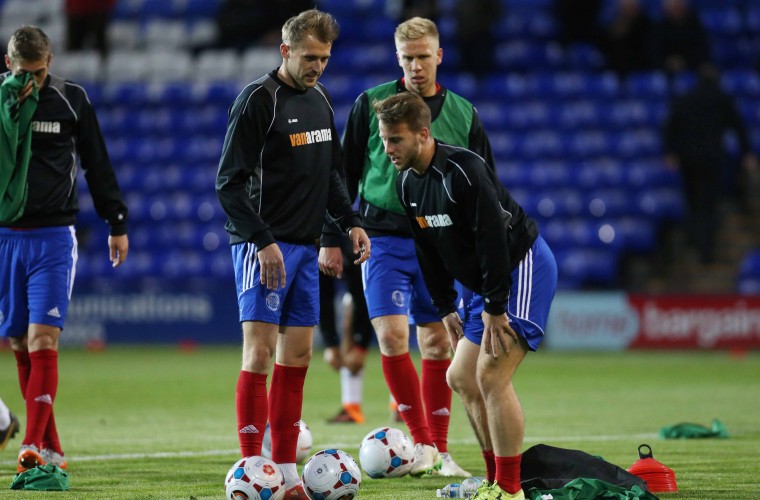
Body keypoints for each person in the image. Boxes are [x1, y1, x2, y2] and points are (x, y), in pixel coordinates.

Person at [320, 16, 494, 477]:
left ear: (439, 56)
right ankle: (420, 442)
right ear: (398, 59)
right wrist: (332, 235)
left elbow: (486, 185)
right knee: (391, 337)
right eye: (407, 58)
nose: (416, 66)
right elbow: (342, 174)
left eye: (423, 56)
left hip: (438, 242)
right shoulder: (371, 104)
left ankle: (440, 450)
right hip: (382, 237)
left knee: (436, 343)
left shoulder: (463, 113)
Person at [215, 9, 371, 499]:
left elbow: (331, 177)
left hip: (305, 248)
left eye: (324, 58)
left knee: (297, 357)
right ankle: (250, 467)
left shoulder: (322, 101)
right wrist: (262, 242)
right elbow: (228, 184)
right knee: (259, 354)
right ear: (285, 51)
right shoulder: (258, 102)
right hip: (266, 247)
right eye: (309, 57)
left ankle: (284, 472)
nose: (317, 66)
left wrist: (350, 223)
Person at [376, 92, 558, 500]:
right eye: (385, 140)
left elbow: (494, 239)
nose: (388, 149)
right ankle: (494, 480)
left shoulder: (464, 169)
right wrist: (444, 306)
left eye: (396, 140)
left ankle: (510, 489)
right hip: (479, 287)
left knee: (491, 375)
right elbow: (428, 249)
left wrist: (495, 306)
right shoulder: (407, 183)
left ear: (423, 134)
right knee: (460, 377)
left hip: (519, 269)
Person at [1, 25, 129, 472]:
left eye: (38, 73)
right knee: (19, 341)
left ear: (49, 64)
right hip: (4, 237)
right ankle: (50, 447)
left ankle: (31, 443)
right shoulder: (0, 103)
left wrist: (116, 220)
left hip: (54, 237)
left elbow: (96, 160)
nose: (31, 82)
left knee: (42, 338)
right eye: (23, 73)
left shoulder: (72, 98)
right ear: (8, 66)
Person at [662, 63, 759, 264]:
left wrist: (671, 153)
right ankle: (706, 252)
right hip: (712, 158)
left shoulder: (686, 98)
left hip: (688, 159)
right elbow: (738, 126)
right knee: (708, 204)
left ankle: (692, 244)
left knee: (692, 202)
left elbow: (670, 127)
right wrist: (747, 153)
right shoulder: (721, 98)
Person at [318, 238, 374, 424]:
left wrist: (361, 345)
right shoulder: (319, 249)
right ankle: (352, 408)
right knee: (348, 310)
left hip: (378, 280)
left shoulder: (354, 247)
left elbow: (364, 298)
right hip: (356, 289)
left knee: (394, 333)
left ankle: (400, 405)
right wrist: (331, 344)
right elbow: (323, 298)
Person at [650, 0, 711, 75]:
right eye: (674, 7)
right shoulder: (659, 27)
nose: (677, 9)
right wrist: (668, 62)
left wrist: (685, 62)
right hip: (665, 69)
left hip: (693, 67)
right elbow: (654, 51)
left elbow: (701, 49)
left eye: (679, 6)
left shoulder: (696, 25)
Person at [597, 0, 653, 78]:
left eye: (632, 5)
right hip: (615, 69)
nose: (629, 8)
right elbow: (604, 48)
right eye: (626, 5)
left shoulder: (646, 25)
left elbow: (648, 50)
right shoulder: (611, 26)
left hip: (640, 68)